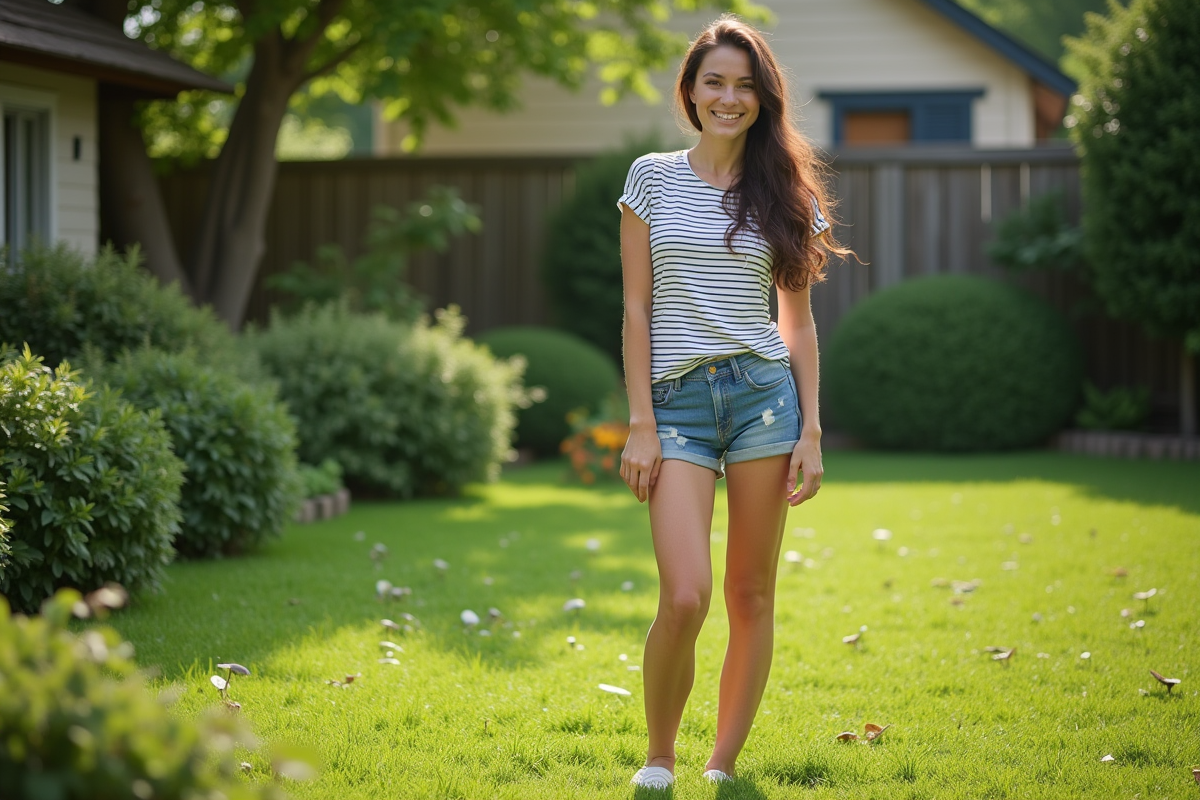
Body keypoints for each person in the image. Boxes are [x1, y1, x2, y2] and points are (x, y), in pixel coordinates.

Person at [618, 16, 847, 789]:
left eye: (745, 84)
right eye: (714, 81)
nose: (729, 96)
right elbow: (637, 310)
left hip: (764, 403)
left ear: (764, 97)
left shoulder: (786, 192)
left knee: (751, 593)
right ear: (690, 91)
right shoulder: (650, 179)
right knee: (684, 595)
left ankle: (721, 765)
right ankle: (660, 754)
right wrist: (640, 425)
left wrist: (812, 430)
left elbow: (799, 322)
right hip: (676, 406)